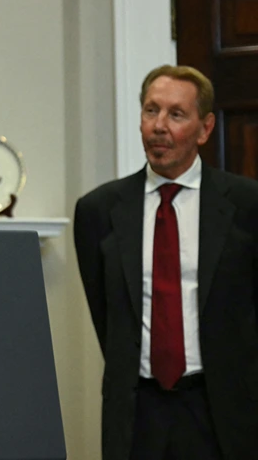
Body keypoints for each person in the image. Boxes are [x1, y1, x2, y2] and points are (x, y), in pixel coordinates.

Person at [74, 65, 258, 460]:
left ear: (205, 128)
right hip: (137, 412)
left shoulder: (246, 205)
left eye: (176, 114)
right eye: (150, 111)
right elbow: (106, 318)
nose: (159, 126)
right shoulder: (98, 211)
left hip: (222, 411)